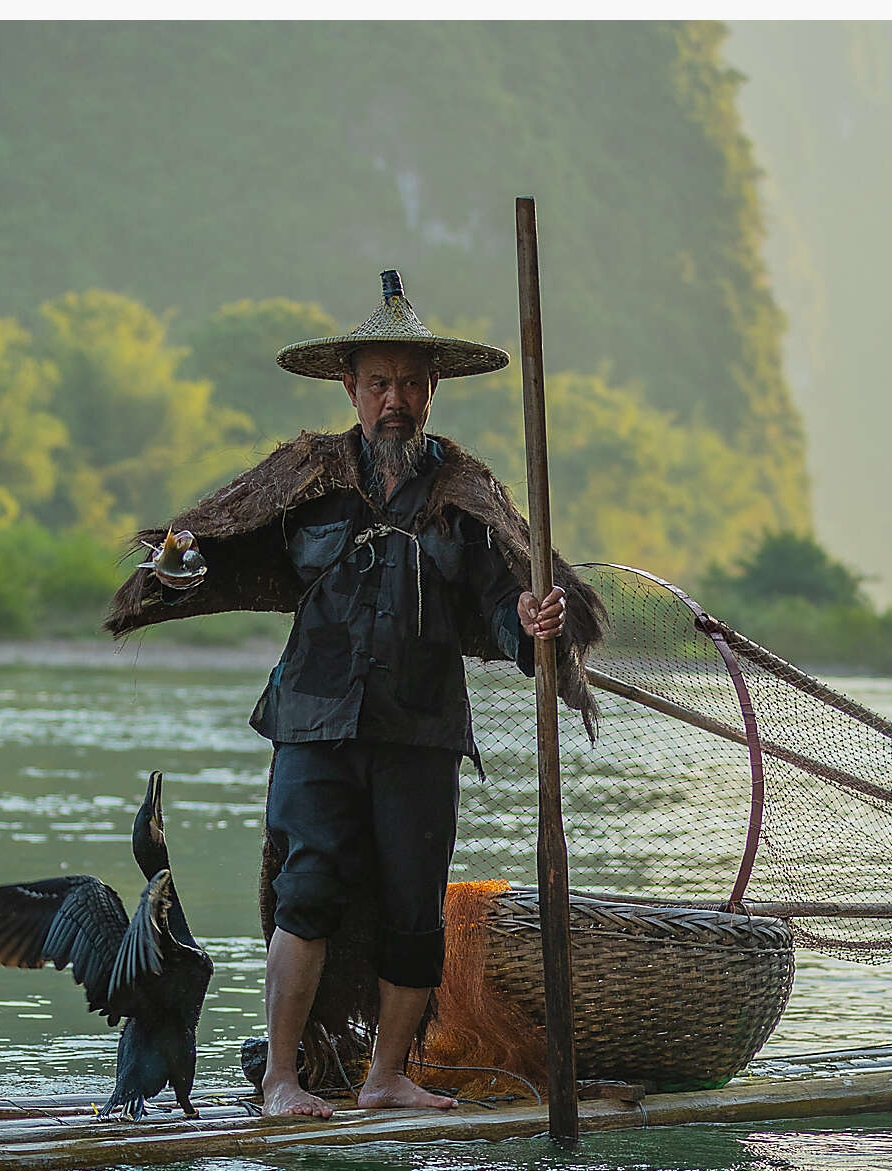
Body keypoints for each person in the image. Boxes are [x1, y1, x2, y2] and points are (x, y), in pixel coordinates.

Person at [103, 270, 602, 1118]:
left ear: (434, 390)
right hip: (313, 724)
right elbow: (215, 547)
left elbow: (508, 611)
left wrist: (534, 618)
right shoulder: (305, 478)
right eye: (379, 384)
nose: (395, 401)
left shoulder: (467, 499)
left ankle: (385, 1079)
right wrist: (176, 569)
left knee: (415, 907)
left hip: (420, 731)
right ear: (351, 388)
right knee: (308, 890)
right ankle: (283, 1080)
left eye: (411, 383)